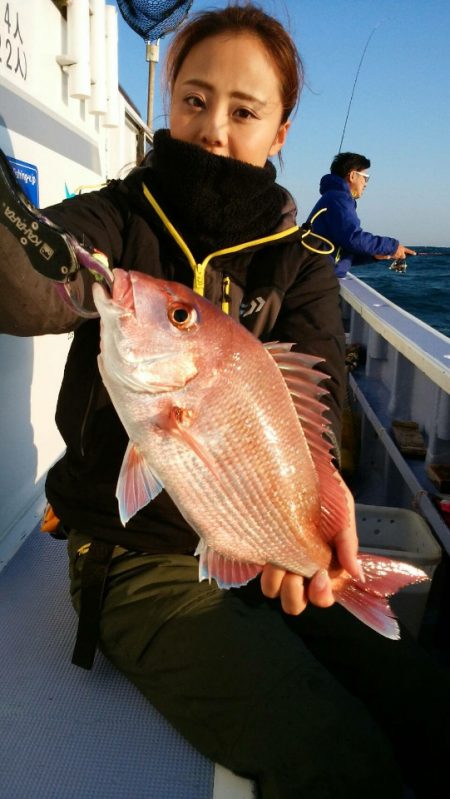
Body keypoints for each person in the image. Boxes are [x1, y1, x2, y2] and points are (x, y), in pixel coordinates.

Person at [0, 5, 449, 798]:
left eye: (244, 111)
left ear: (280, 132)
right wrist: (37, 254)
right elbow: (37, 280)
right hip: (135, 563)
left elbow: (316, 379)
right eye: (195, 100)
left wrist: (324, 496)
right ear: (169, 102)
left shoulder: (302, 257)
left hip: (263, 535)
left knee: (424, 701)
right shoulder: (120, 212)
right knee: (338, 755)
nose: (213, 128)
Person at [306, 152, 416, 276]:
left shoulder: (333, 197)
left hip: (316, 272)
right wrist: (392, 246)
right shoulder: (339, 198)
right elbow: (353, 238)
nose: (366, 183)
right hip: (317, 276)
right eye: (365, 177)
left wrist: (373, 256)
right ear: (352, 175)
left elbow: (342, 251)